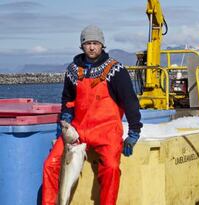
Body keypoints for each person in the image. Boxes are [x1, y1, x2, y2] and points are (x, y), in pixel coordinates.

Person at [42, 25, 143, 205]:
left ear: (102, 45)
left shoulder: (116, 70)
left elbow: (130, 102)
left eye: (95, 43)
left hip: (107, 131)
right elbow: (67, 98)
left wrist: (134, 131)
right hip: (77, 131)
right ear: (82, 46)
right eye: (87, 43)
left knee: (111, 168)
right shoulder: (73, 70)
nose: (91, 47)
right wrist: (66, 118)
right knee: (51, 164)